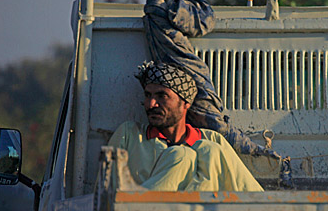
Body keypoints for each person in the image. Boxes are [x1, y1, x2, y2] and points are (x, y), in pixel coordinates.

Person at [108, 61, 263, 192]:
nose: (151, 104)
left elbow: (248, 190)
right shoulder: (130, 134)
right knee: (182, 155)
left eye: (162, 96)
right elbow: (106, 191)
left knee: (208, 150)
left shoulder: (212, 140)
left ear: (185, 103)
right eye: (148, 95)